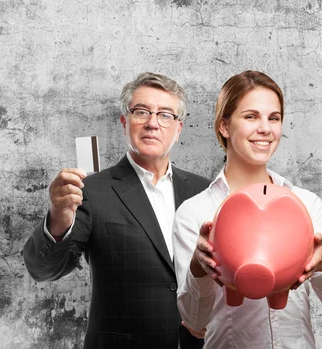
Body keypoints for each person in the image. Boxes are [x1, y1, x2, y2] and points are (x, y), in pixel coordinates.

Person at [23, 72, 211, 349]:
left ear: (178, 128)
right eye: (142, 112)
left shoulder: (203, 190)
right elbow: (44, 270)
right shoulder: (91, 190)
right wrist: (59, 216)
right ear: (125, 122)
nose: (152, 123)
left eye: (165, 115)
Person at [172, 70, 322, 349]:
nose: (265, 128)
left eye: (273, 118)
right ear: (225, 126)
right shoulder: (194, 212)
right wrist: (199, 266)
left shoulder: (306, 203)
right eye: (251, 116)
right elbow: (194, 321)